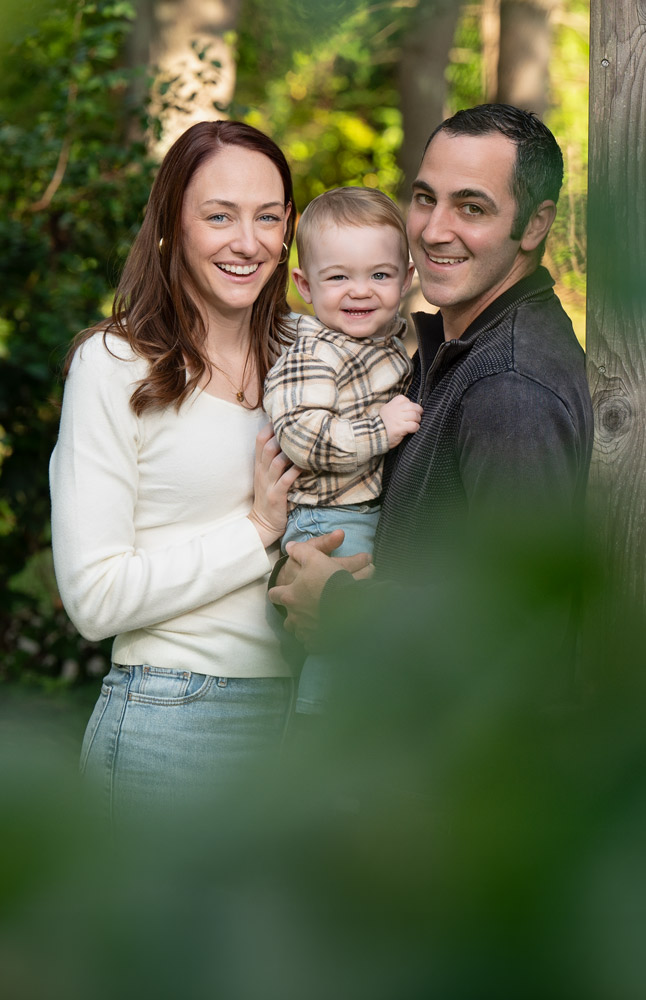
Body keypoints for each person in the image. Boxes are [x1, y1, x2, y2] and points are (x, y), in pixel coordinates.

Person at [269, 104, 594, 655]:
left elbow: (518, 619)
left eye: (471, 206)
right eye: (425, 198)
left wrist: (339, 605)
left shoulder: (510, 387)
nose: (434, 230)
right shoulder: (445, 351)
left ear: (535, 224)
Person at [49, 120, 300, 819]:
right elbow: (94, 599)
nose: (247, 242)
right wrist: (256, 531)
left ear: (290, 231)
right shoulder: (114, 366)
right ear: (172, 226)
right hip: (172, 723)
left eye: (267, 217)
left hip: (306, 726)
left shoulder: (310, 357)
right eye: (218, 216)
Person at [263, 187, 421, 712]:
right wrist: (380, 428)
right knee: (339, 637)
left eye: (380, 275)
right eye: (339, 277)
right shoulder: (314, 353)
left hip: (361, 509)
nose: (361, 291)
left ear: (407, 278)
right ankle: (319, 735)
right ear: (305, 285)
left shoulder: (386, 342)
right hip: (329, 519)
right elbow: (301, 435)